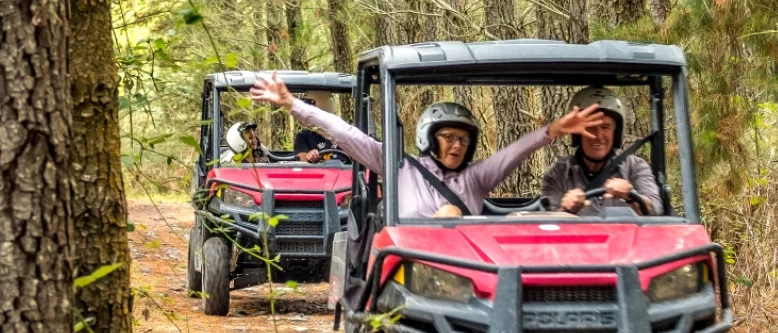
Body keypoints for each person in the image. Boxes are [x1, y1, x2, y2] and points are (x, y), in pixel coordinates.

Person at [250, 72, 608, 218]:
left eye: (464, 139)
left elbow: (514, 153)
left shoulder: (477, 178)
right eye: (449, 136)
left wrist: (554, 130)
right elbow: (347, 135)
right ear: (430, 137)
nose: (457, 145)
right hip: (409, 276)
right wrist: (292, 105)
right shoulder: (400, 166)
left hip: (466, 277)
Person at [540, 87, 663, 216]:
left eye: (605, 127)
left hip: (626, 235)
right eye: (591, 127)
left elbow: (655, 209)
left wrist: (631, 195)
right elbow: (547, 223)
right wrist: (566, 210)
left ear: (616, 133)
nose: (598, 135)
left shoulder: (635, 166)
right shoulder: (560, 172)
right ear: (578, 134)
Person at [292, 91, 349, 163]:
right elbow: (301, 157)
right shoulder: (304, 136)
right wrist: (309, 156)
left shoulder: (344, 134)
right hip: (316, 173)